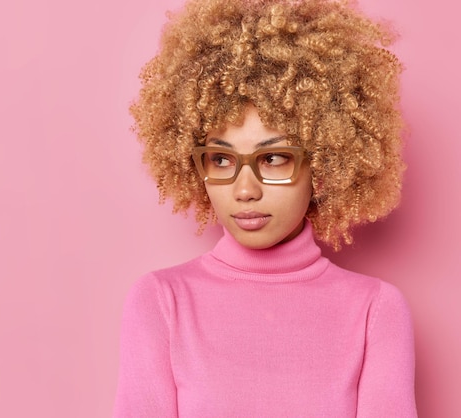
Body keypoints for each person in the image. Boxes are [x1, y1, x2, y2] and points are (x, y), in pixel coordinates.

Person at [113, 0, 417, 416]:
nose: (244, 190)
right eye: (221, 159)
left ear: (324, 162)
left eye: (273, 158)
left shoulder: (375, 310)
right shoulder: (161, 301)